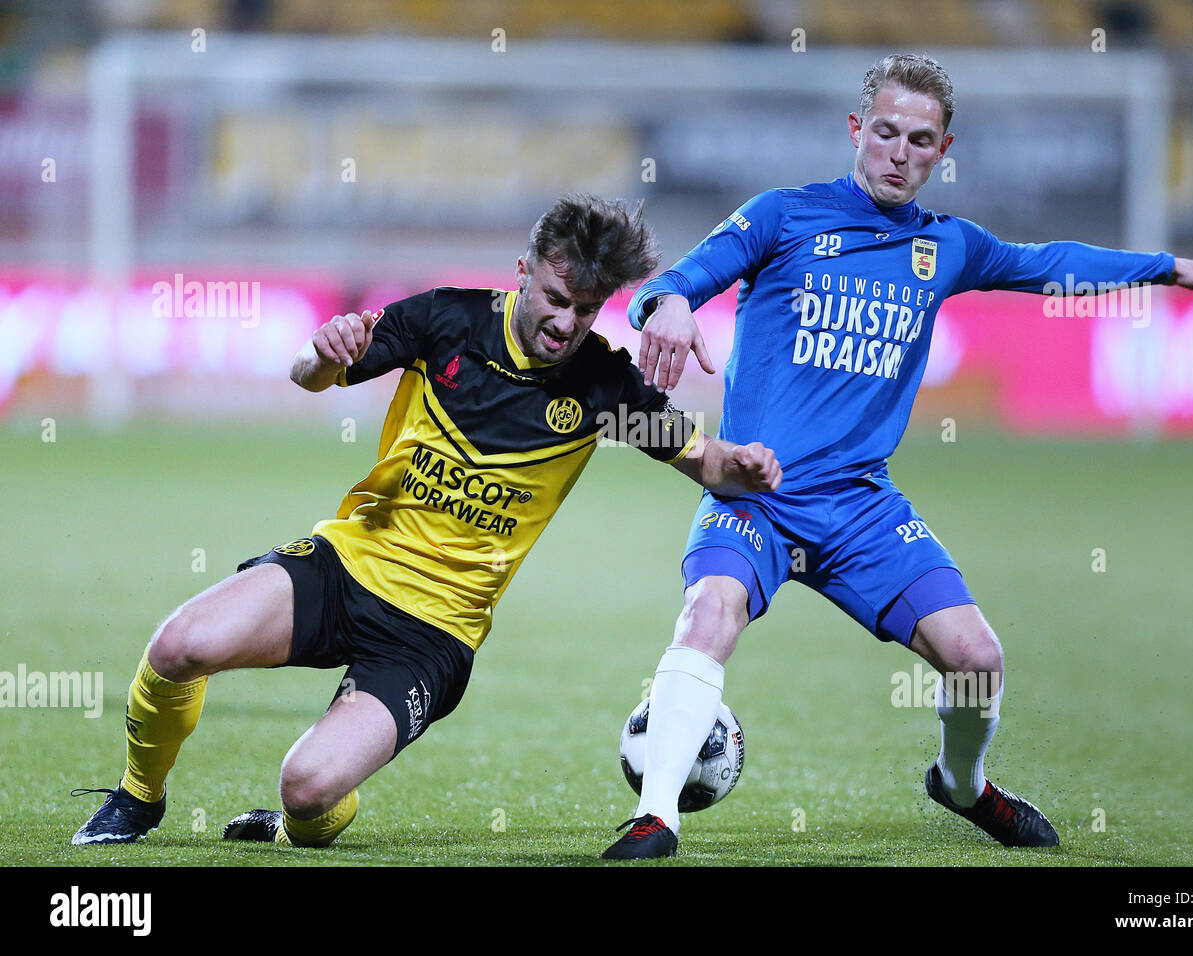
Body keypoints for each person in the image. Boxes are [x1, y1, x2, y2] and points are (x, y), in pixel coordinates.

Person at [601, 52, 1193, 859]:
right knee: (708, 613)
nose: (899, 153)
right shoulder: (783, 216)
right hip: (754, 491)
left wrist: (1166, 267)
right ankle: (657, 816)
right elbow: (675, 283)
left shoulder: (951, 247)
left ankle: (962, 786)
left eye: (921, 140)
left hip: (861, 508)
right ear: (856, 129)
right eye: (887, 133)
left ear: (944, 149)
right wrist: (666, 308)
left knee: (977, 658)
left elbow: (1048, 266)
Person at [71, 194, 782, 849]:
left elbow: (702, 461)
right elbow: (306, 374)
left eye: (587, 309)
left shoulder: (601, 386)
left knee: (306, 789)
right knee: (179, 645)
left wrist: (741, 463)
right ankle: (140, 796)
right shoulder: (447, 319)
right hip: (347, 565)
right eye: (557, 298)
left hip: (432, 636)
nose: (566, 323)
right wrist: (322, 352)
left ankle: (305, 822)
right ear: (523, 271)